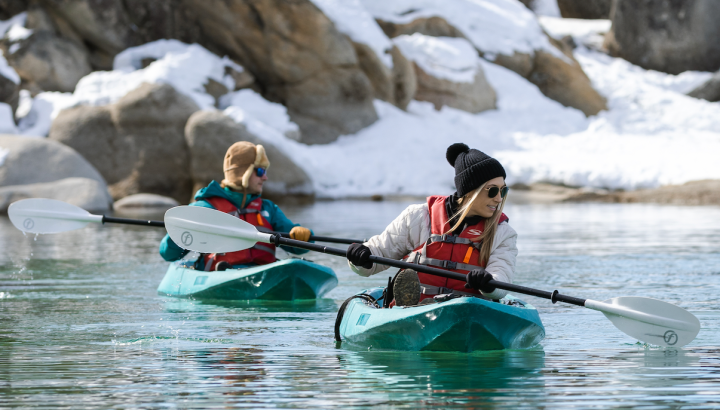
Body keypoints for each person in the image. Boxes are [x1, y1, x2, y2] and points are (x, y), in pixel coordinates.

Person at [346, 143, 517, 306]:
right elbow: (378, 254)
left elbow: (501, 276)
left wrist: (488, 283)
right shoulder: (418, 217)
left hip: (469, 311)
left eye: (503, 190)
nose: (499, 198)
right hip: (415, 310)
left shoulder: (503, 232)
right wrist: (361, 257)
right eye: (493, 190)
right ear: (470, 190)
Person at [159, 141, 313, 270]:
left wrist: (303, 236)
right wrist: (180, 231)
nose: (265, 177)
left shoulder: (268, 209)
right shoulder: (205, 208)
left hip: (262, 274)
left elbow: (296, 248)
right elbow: (168, 254)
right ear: (243, 172)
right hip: (221, 276)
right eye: (259, 171)